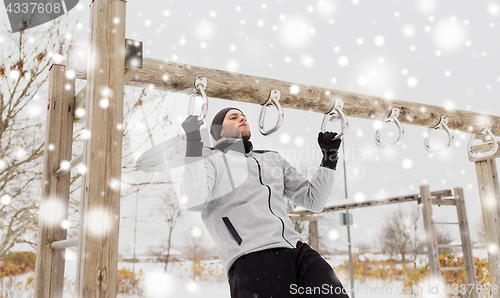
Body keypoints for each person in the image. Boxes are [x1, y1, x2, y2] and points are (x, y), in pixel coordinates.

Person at [180, 107, 350, 298]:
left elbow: (313, 200)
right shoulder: (210, 159)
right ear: (219, 131)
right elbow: (194, 200)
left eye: (243, 115)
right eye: (233, 117)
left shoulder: (272, 159)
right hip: (251, 259)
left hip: (297, 252)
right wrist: (193, 142)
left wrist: (329, 158)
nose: (242, 118)